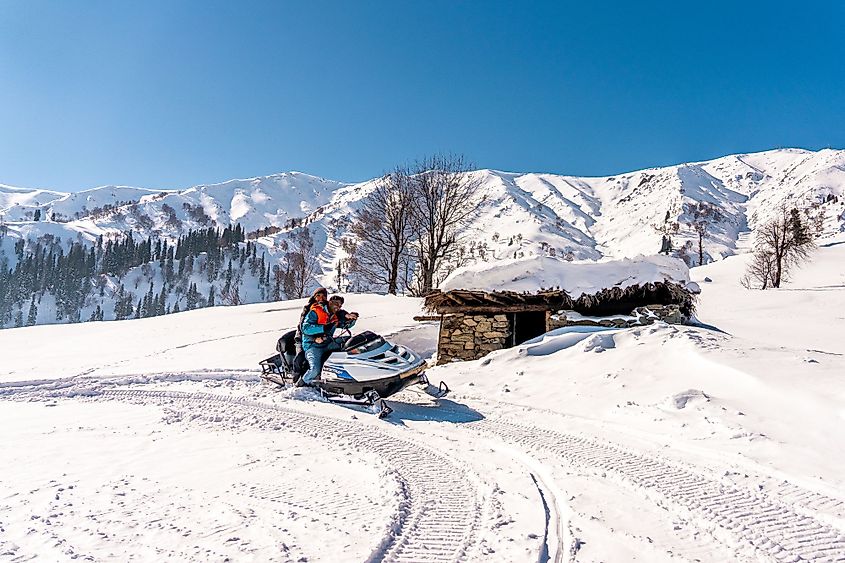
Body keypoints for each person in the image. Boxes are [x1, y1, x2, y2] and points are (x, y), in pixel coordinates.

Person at [299, 294, 357, 386]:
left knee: (350, 342)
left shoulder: (334, 315)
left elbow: (344, 325)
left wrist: (352, 320)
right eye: (336, 304)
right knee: (315, 369)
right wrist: (323, 328)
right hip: (312, 346)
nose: (338, 307)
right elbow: (305, 328)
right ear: (330, 302)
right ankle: (302, 383)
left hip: (328, 343)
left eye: (340, 305)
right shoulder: (315, 312)